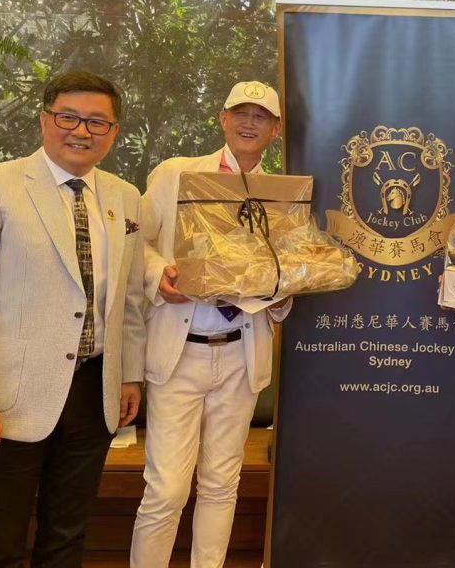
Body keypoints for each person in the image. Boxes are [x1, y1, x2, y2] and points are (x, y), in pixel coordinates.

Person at [0, 71, 145, 567]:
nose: (82, 131)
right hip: (8, 399)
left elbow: (129, 297)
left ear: (113, 132)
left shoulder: (124, 196)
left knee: (66, 539)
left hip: (95, 392)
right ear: (45, 120)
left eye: (97, 122)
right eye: (68, 117)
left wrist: (129, 374)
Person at [130, 80, 292, 568]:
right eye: (240, 113)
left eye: (260, 116)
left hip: (241, 350)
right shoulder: (175, 174)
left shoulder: (283, 196)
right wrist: (158, 275)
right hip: (180, 350)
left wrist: (282, 289)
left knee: (222, 483)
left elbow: (285, 271)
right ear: (222, 119)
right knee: (166, 489)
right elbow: (137, 242)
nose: (249, 123)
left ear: (276, 129)